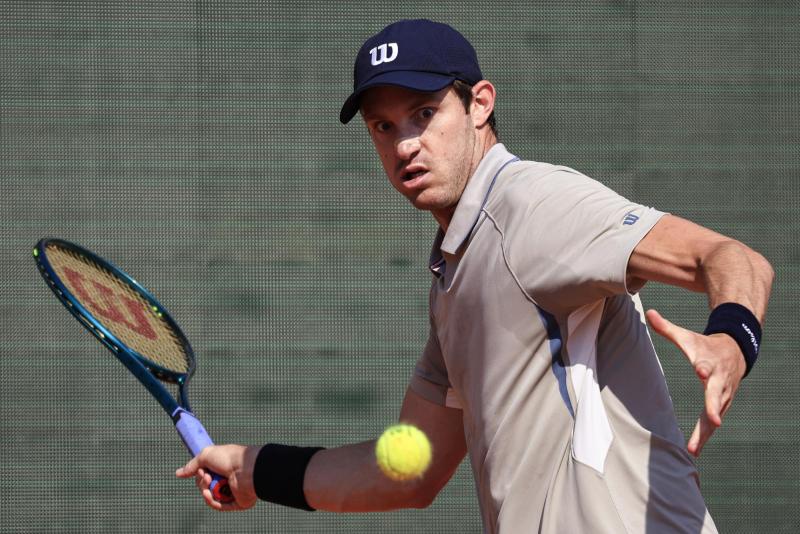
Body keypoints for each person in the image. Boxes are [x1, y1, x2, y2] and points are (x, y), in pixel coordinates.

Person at [176, 19, 774, 533]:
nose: (405, 144)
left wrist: (731, 340)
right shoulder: (455, 271)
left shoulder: (532, 206)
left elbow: (729, 257)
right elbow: (408, 470)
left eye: (424, 114)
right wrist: (255, 469)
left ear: (480, 104)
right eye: (383, 127)